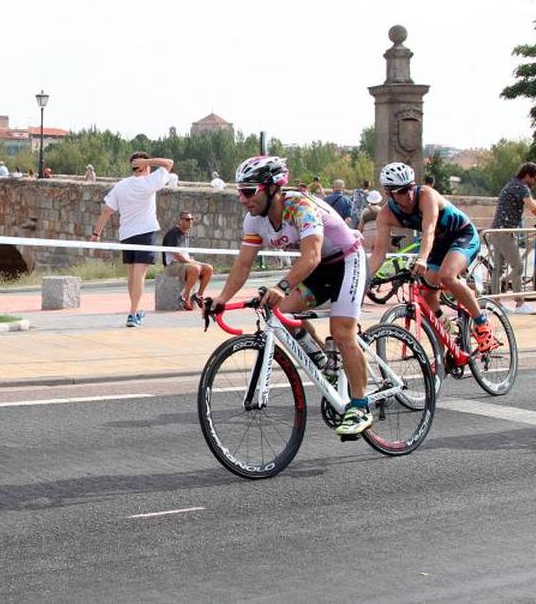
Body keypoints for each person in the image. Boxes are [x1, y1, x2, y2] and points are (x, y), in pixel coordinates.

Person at [205, 156, 370, 437]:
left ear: (272, 188)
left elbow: (312, 255)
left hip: (346, 261)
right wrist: (221, 298)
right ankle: (322, 359)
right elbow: (243, 264)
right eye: (239, 192)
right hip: (317, 269)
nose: (242, 199)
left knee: (342, 332)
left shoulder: (300, 207)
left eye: (248, 191)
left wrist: (281, 286)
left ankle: (360, 405)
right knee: (281, 312)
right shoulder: (254, 221)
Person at [368, 161, 499, 350]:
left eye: (410, 187)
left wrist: (421, 258)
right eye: (402, 191)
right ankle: (447, 333)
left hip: (462, 235)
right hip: (439, 244)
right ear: (389, 193)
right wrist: (367, 278)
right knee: (426, 293)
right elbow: (379, 251)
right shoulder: (386, 214)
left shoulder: (426, 196)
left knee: (447, 275)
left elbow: (428, 231)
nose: (409, 193)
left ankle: (482, 324)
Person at [90, 151, 175, 327]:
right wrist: (149, 161)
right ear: (145, 166)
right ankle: (133, 313)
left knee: (132, 275)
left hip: (127, 234)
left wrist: (96, 233)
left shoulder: (121, 186)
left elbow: (107, 211)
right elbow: (169, 163)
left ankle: (134, 310)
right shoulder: (149, 182)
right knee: (139, 274)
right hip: (145, 232)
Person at [488, 162, 536, 313]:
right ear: (527, 175)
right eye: (534, 179)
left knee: (498, 268)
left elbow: (528, 206)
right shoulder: (521, 187)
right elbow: (532, 205)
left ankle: (496, 303)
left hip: (498, 230)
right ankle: (520, 303)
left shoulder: (512, 184)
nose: (535, 182)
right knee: (518, 266)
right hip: (505, 231)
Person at [162, 211, 214, 310]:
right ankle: (185, 297)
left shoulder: (186, 234)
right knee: (195, 268)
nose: (190, 221)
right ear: (180, 221)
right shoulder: (173, 233)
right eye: (187, 219)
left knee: (209, 268)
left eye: (191, 219)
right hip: (172, 265)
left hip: (184, 263)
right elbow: (176, 255)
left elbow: (185, 255)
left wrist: (192, 261)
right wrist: (191, 262)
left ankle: (198, 295)